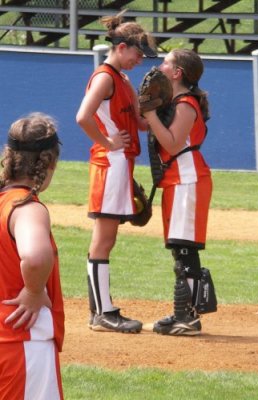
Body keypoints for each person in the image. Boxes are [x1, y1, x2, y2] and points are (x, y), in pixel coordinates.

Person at [76, 10, 156, 333]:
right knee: (103, 240)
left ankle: (100, 310)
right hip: (110, 164)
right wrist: (107, 142)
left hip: (120, 164)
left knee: (105, 240)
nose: (140, 61)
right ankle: (104, 314)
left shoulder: (122, 79)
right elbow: (82, 116)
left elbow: (139, 122)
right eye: (137, 54)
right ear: (121, 47)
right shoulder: (106, 77)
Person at [143, 49, 216, 336]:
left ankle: (188, 318)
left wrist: (149, 113)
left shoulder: (186, 103)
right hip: (178, 180)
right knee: (179, 247)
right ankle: (183, 312)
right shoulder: (175, 101)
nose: (160, 66)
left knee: (185, 248)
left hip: (188, 180)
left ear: (178, 73)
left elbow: (172, 144)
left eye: (166, 62)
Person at [0, 113, 65, 399]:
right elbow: (36, 257)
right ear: (49, 163)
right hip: (21, 340)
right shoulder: (26, 207)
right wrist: (34, 290)